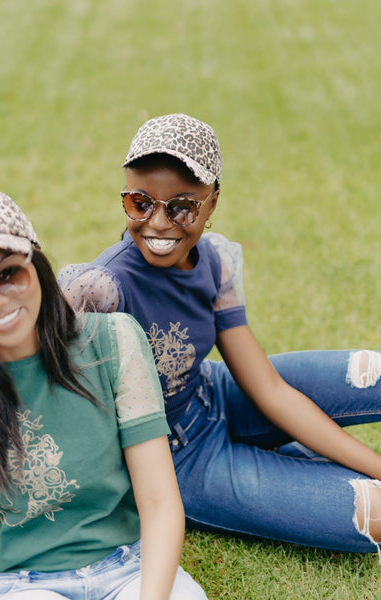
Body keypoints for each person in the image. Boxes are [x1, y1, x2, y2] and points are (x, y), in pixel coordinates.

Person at [59, 113, 381, 558]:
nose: (157, 223)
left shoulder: (214, 261)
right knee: (372, 512)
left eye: (181, 206)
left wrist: (375, 465)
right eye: (140, 202)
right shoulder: (100, 289)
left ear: (211, 204)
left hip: (217, 394)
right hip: (175, 459)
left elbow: (268, 389)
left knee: (371, 373)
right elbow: (40, 390)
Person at [0, 191, 207, 600]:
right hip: (18, 585)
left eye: (7, 274)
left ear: (37, 266)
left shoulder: (112, 340)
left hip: (128, 568)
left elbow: (159, 502)